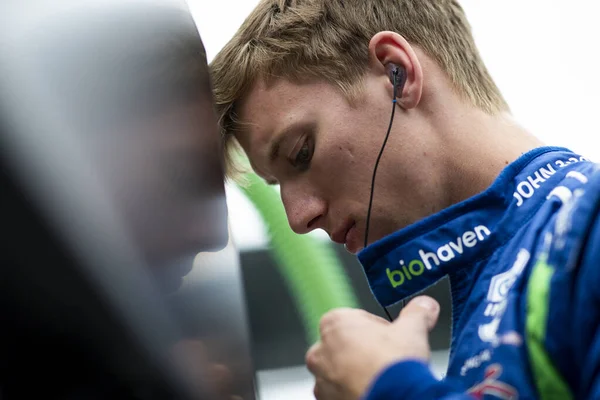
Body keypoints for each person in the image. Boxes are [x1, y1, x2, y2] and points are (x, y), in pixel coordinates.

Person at [209, 0, 600, 399]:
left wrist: (389, 387)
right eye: (276, 185)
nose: (297, 218)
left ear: (397, 72)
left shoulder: (588, 224)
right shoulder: (495, 276)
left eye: (301, 153)